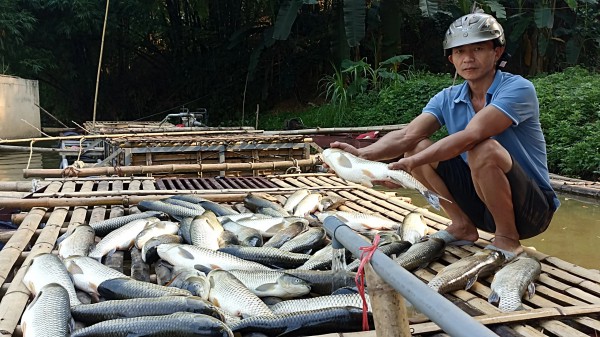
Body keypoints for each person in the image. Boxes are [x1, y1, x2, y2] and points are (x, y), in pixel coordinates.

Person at [331, 11, 559, 260]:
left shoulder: (518, 89)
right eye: (460, 52)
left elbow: (472, 135)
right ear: (451, 59)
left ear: (497, 52)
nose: (468, 59)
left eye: (478, 49)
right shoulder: (447, 98)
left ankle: (507, 238)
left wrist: (410, 165)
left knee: (482, 148)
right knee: (416, 148)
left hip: (532, 210)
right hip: (481, 202)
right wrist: (363, 155)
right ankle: (462, 225)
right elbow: (408, 134)